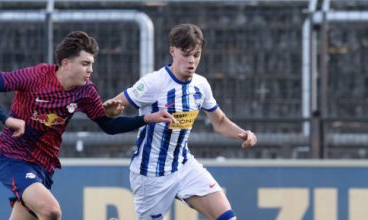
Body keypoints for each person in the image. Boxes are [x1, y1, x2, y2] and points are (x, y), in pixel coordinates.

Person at [0, 31, 176, 220]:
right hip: (14, 157)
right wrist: (6, 119)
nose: (90, 70)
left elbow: (108, 126)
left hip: (44, 166)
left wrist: (146, 119)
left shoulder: (86, 91)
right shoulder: (34, 77)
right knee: (51, 210)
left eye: (91, 64)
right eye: (85, 64)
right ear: (66, 63)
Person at [107, 24, 257, 220]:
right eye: (186, 54)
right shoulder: (153, 83)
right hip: (151, 174)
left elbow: (219, 122)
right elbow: (111, 108)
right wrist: (111, 110)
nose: (192, 61)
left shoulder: (201, 85)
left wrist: (243, 134)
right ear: (172, 51)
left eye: (196, 54)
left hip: (184, 166)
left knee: (227, 217)